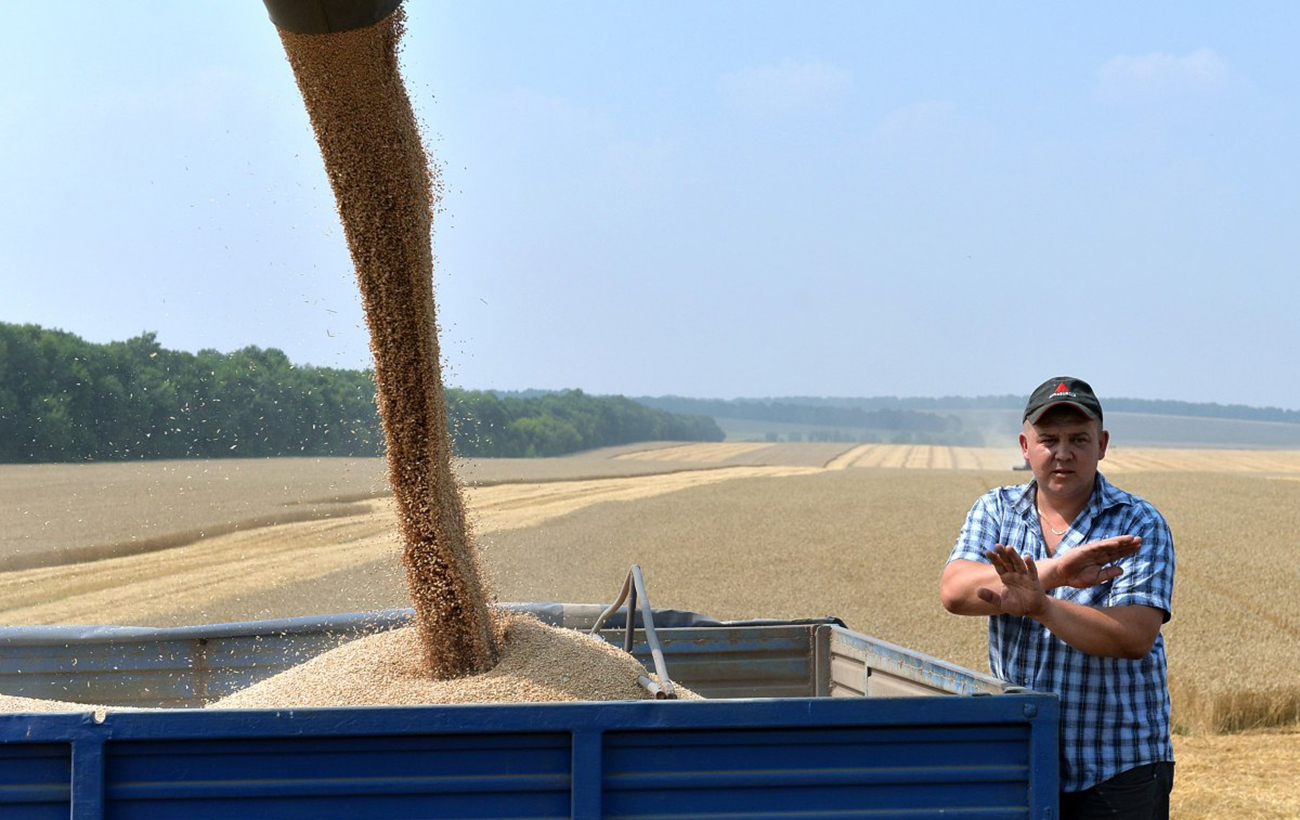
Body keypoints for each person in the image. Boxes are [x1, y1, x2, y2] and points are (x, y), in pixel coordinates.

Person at [940, 376, 1175, 820]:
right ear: (1026, 446)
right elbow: (955, 591)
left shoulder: (1138, 523)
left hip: (1118, 766)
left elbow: (1133, 636)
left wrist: (1040, 605)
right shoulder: (995, 510)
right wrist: (1056, 573)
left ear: (1102, 444)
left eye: (1078, 439)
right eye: (1049, 439)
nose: (1062, 453)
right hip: (1022, 756)